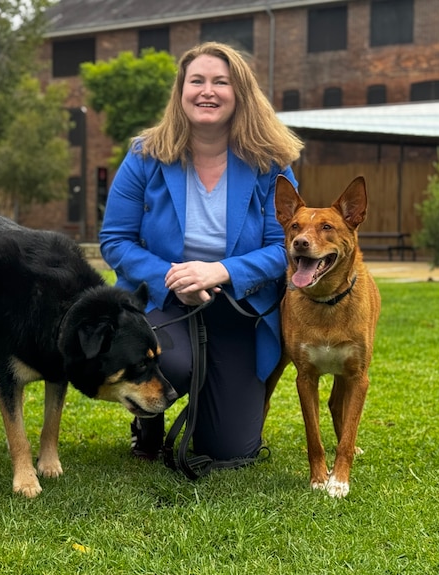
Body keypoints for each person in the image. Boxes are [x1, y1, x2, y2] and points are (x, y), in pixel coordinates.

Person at [99, 42, 303, 466]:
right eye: (197, 81)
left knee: (230, 451)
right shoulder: (144, 156)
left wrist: (220, 271)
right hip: (163, 303)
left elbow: (283, 248)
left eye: (220, 82)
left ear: (239, 93)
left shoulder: (271, 163)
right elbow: (115, 240)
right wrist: (173, 277)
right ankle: (148, 424)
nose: (207, 91)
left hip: (239, 307)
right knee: (169, 363)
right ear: (181, 91)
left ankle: (215, 409)